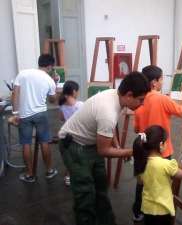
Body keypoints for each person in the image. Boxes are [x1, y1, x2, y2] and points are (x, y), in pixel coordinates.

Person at [58, 72, 150, 225]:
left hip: (91, 142)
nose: (142, 104)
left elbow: (108, 128)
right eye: (140, 100)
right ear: (129, 94)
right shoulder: (108, 111)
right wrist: (131, 152)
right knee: (85, 193)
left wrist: (117, 146)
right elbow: (103, 151)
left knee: (101, 186)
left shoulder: (115, 96)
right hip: (74, 145)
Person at [132, 65, 182, 221]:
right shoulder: (161, 99)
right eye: (161, 79)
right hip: (162, 151)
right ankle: (160, 211)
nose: (163, 82)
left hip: (144, 152)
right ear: (154, 82)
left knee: (143, 183)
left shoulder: (140, 100)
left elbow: (136, 129)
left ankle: (139, 212)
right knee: (161, 184)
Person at [133, 125, 182, 225]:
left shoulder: (141, 161)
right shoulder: (166, 164)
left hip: (147, 208)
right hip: (163, 210)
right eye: (166, 142)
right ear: (161, 145)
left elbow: (140, 181)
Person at [12, 54, 58, 183]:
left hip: (24, 114)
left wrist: (15, 113)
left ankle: (30, 174)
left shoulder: (23, 73)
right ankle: (49, 171)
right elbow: (53, 100)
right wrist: (54, 83)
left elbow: (15, 93)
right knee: (45, 141)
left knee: (26, 144)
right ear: (49, 66)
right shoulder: (49, 80)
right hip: (41, 113)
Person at [58, 80, 83, 186]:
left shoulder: (62, 106)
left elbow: (61, 119)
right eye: (77, 91)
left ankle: (68, 176)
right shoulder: (80, 105)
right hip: (79, 135)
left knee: (70, 157)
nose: (78, 93)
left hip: (67, 135)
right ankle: (77, 175)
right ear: (73, 91)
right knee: (79, 157)